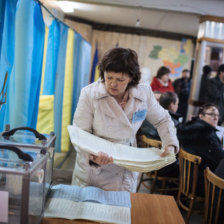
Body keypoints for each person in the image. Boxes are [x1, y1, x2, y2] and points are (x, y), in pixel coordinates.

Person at [71, 47, 179, 192]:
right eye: (109, 77)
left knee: (121, 210)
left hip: (126, 168)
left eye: (120, 80)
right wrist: (93, 157)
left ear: (131, 78)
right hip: (95, 172)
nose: (113, 84)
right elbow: (80, 134)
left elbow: (163, 119)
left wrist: (170, 143)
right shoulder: (90, 94)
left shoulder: (143, 93)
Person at [177, 103, 224, 196]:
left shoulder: (191, 127)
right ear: (201, 116)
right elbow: (220, 159)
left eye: (217, 115)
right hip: (200, 184)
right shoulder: (206, 134)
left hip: (185, 178)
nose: (215, 118)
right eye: (212, 114)